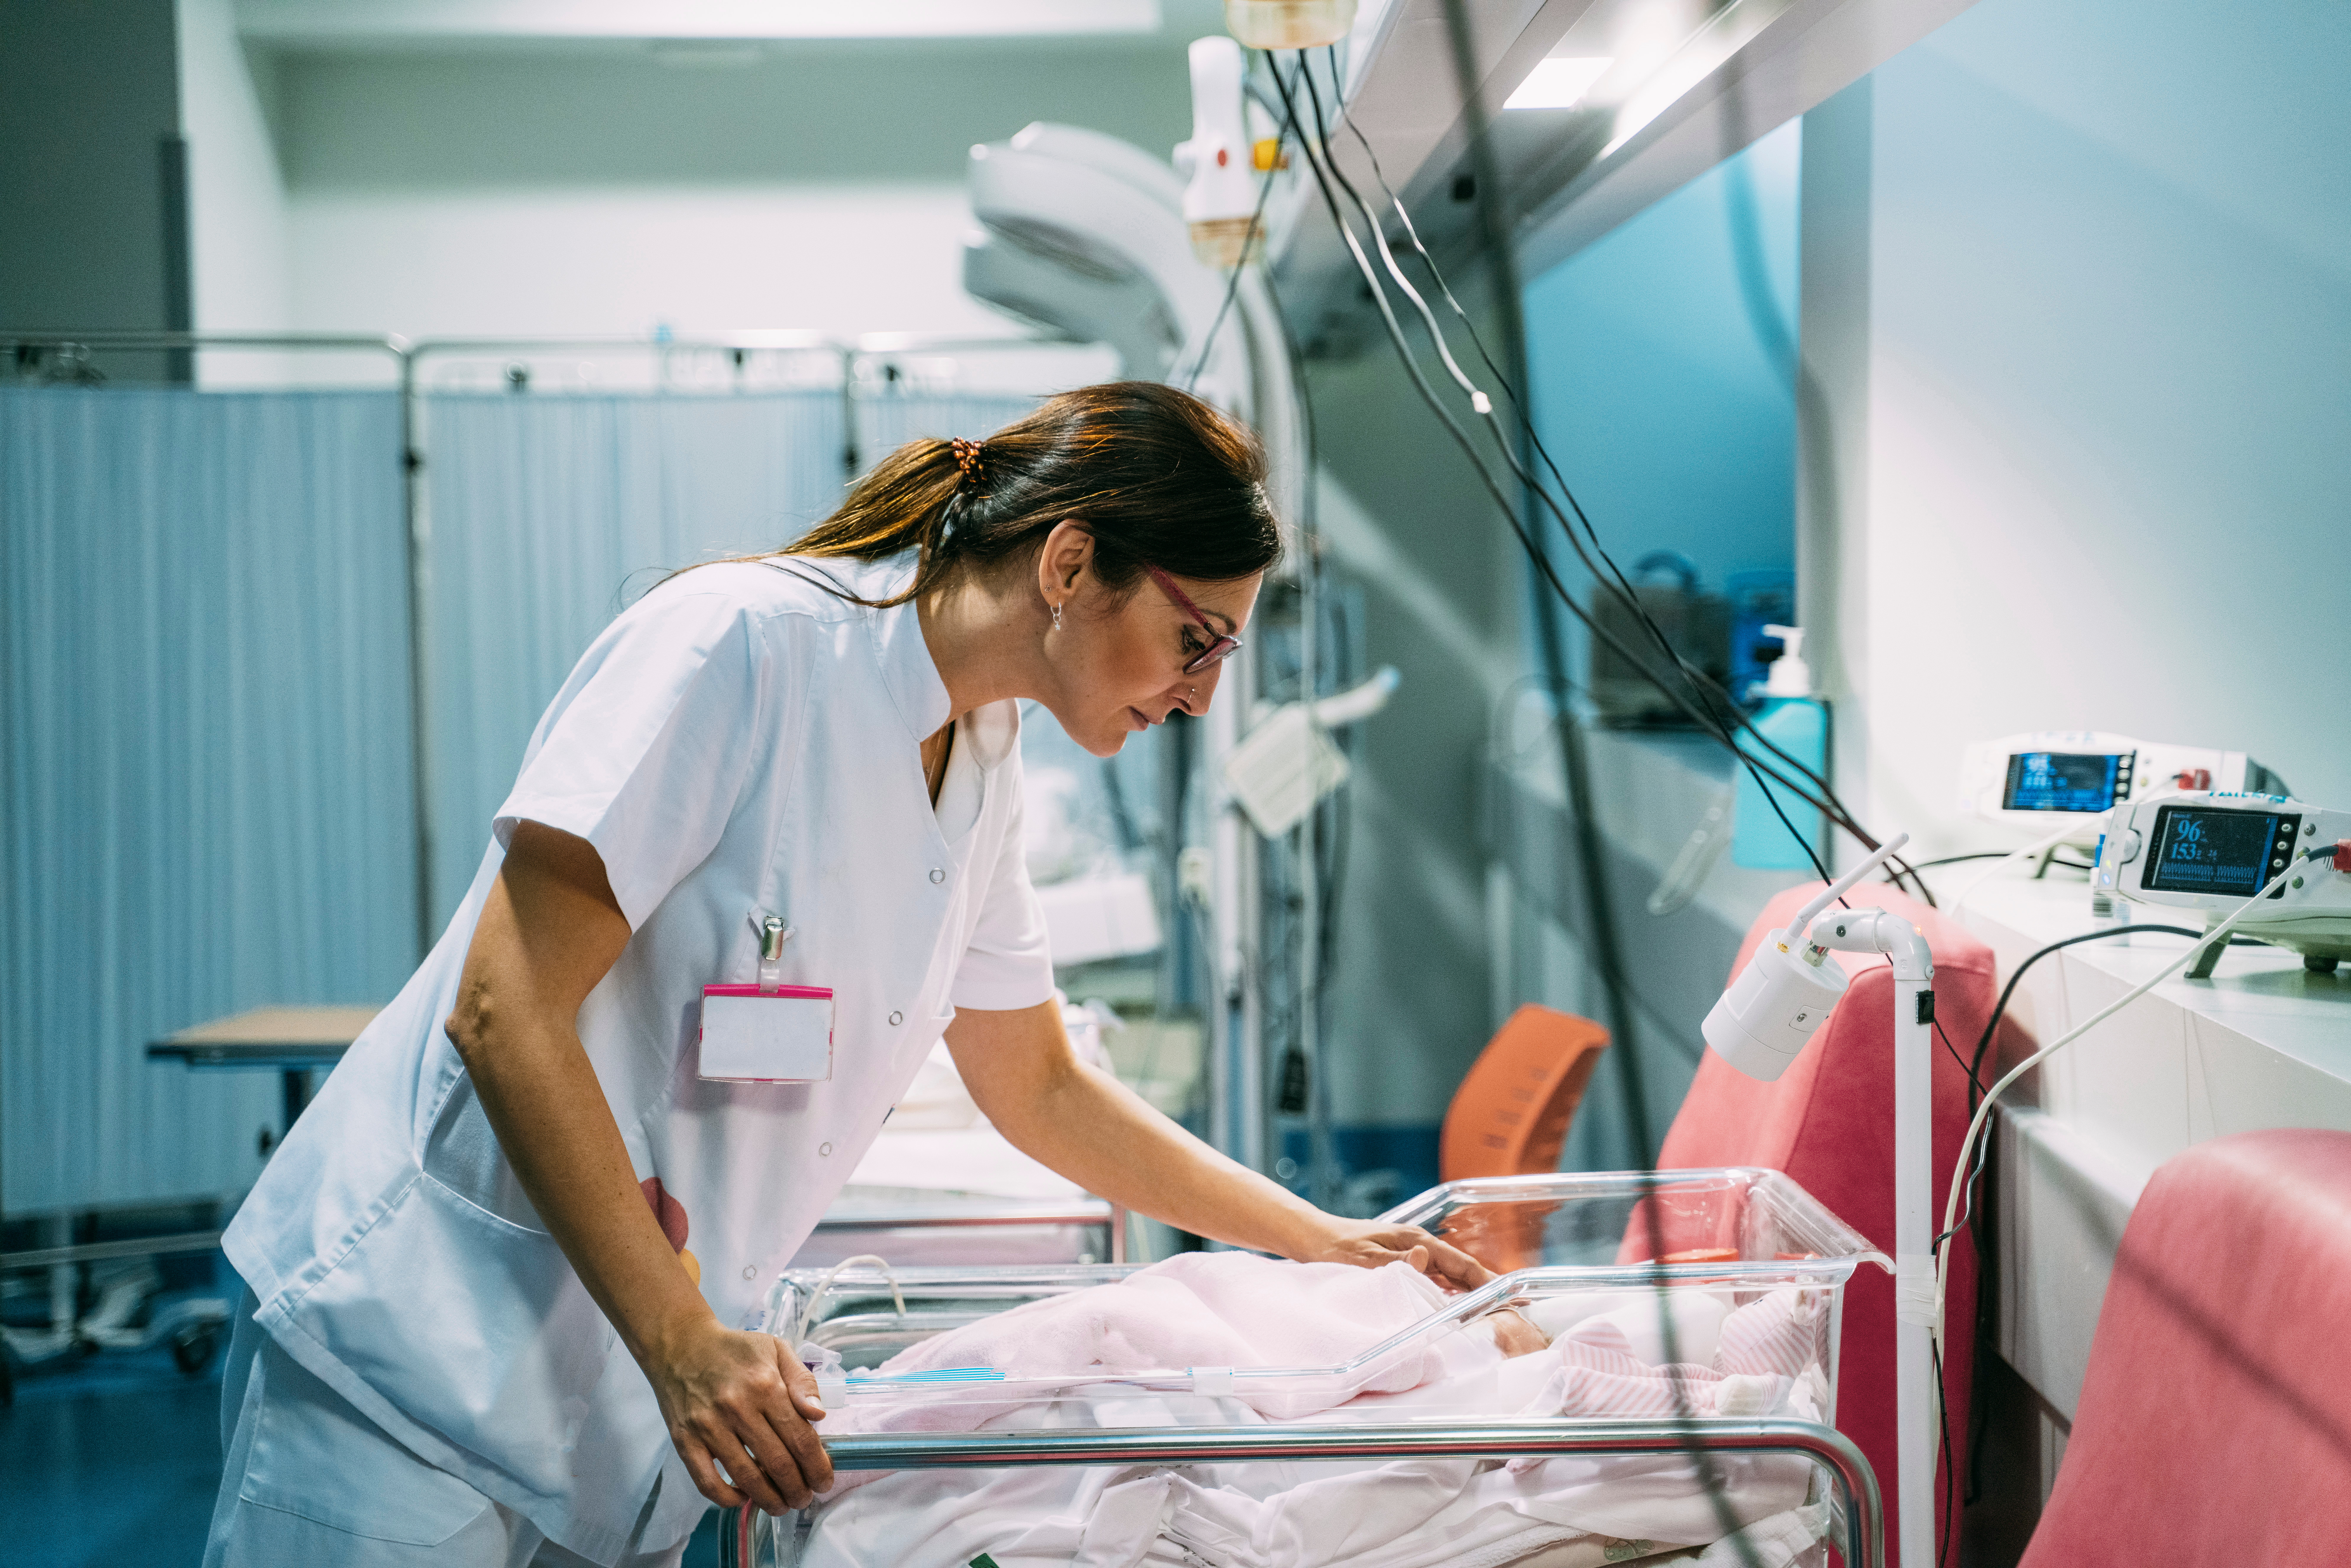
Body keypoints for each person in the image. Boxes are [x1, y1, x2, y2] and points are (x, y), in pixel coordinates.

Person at [203, 382, 1489, 1568]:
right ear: (1068, 564)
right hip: (420, 1364)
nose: (1201, 698)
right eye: (1195, 641)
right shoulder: (738, 645)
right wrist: (682, 1341)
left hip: (615, 1407)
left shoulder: (982, 759)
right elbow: (504, 1007)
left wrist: (1323, 1240)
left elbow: (1038, 1084)